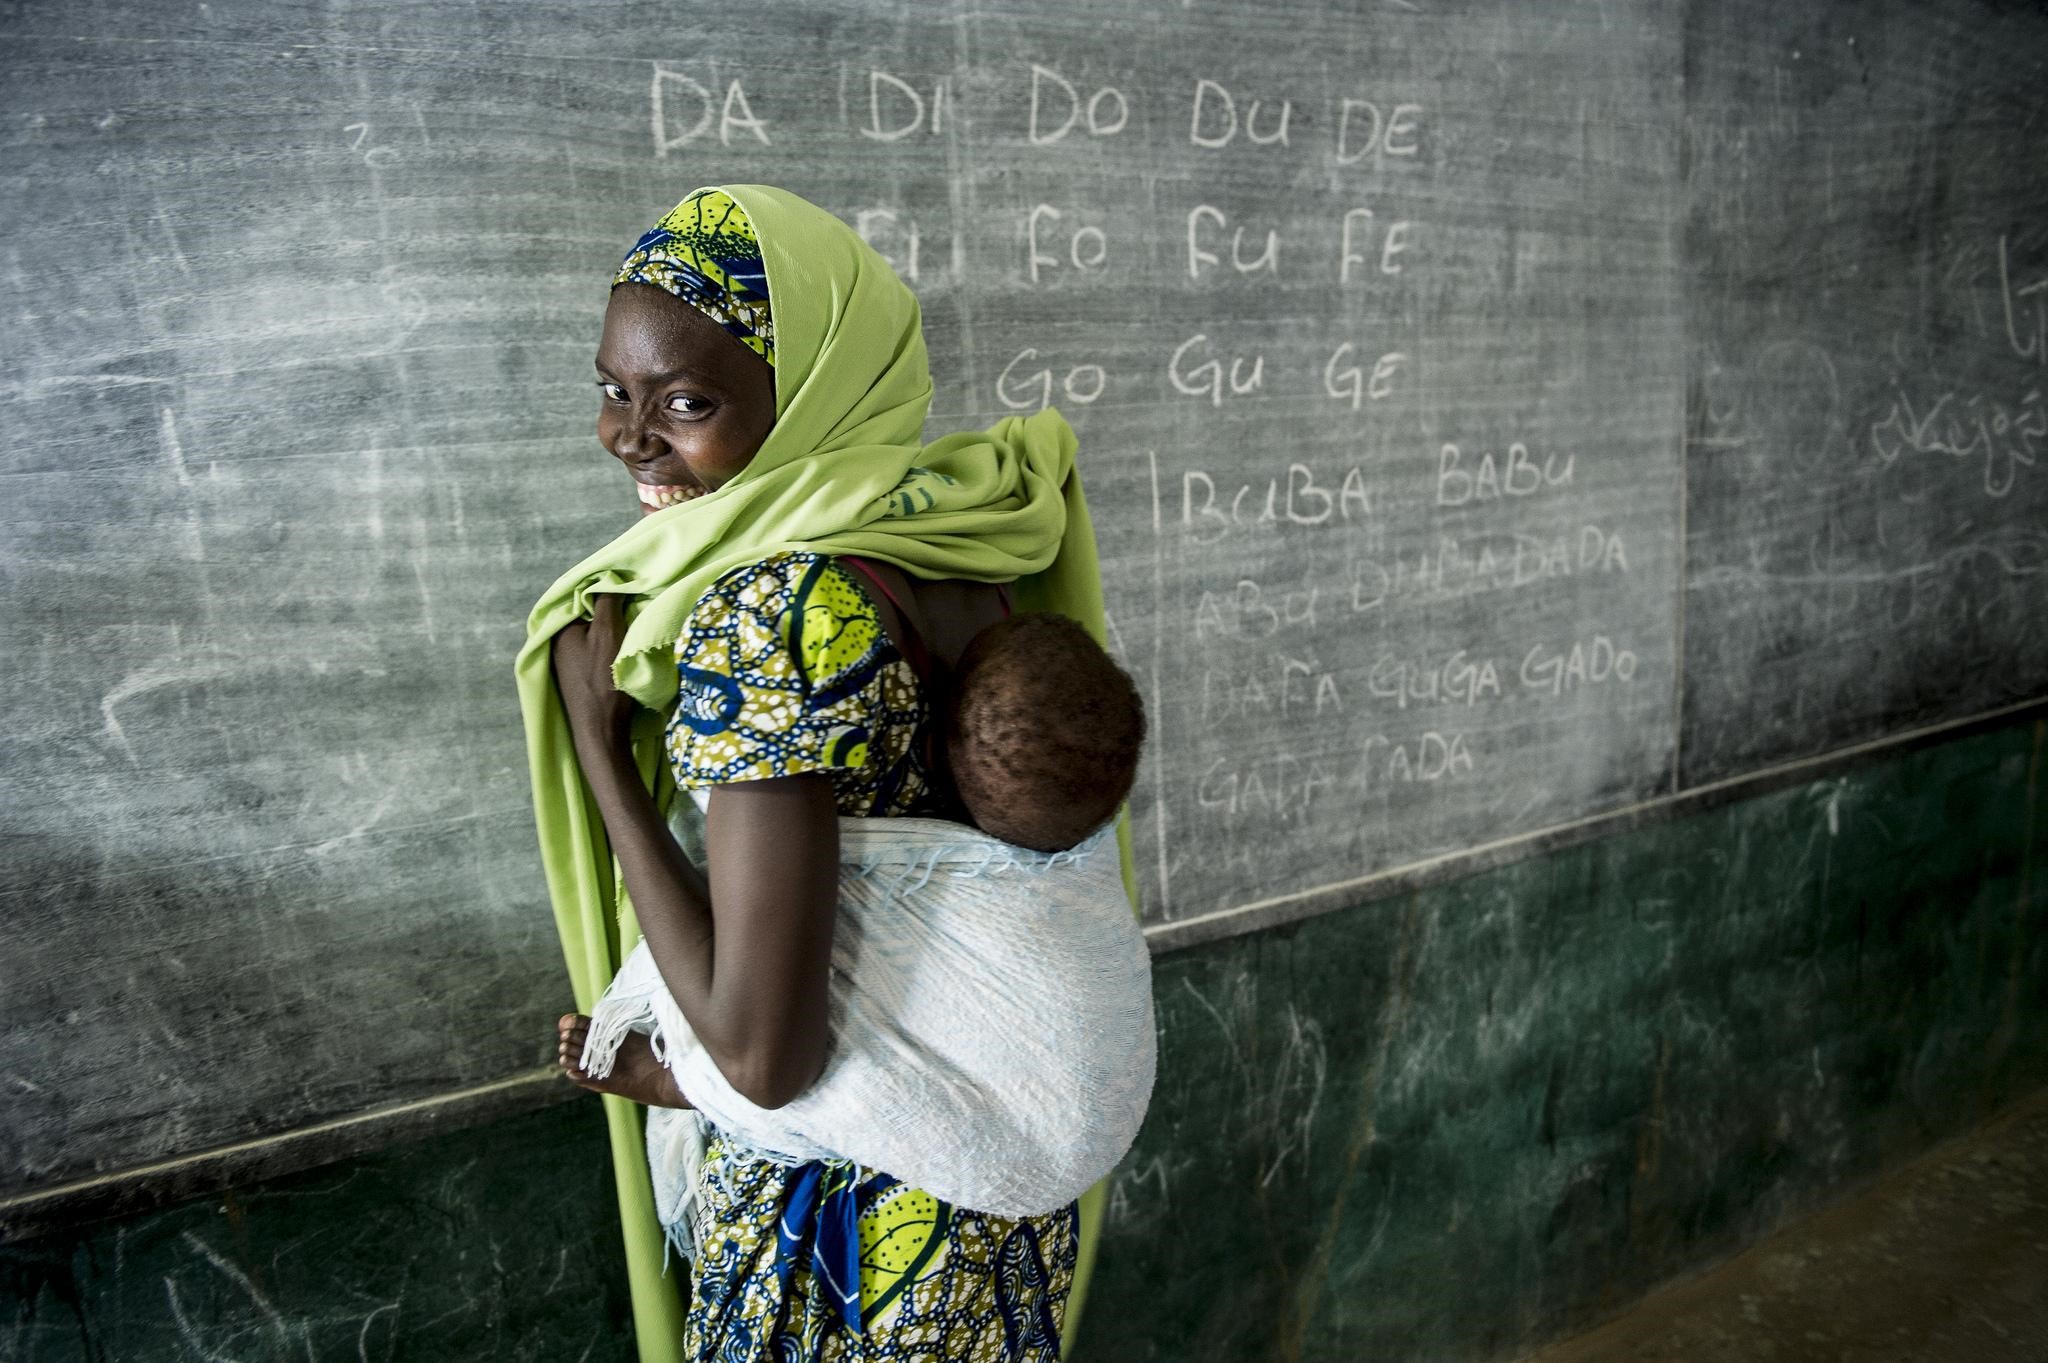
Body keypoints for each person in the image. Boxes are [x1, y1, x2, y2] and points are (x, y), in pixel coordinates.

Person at [514, 186, 1132, 1363]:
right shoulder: (967, 541)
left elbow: (761, 1055)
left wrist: (600, 752)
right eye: (613, 390)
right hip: (991, 1213)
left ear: (803, 390)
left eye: (686, 402)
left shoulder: (775, 614)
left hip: (851, 1235)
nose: (631, 438)